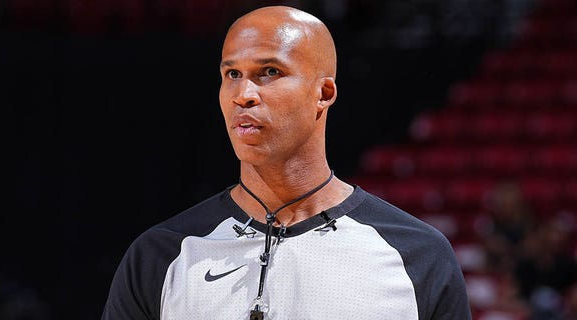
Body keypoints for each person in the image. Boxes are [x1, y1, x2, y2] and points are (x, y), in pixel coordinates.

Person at [101, 5, 471, 320]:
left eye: (270, 72)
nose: (243, 95)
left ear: (323, 93)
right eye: (232, 75)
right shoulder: (162, 254)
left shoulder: (416, 256)